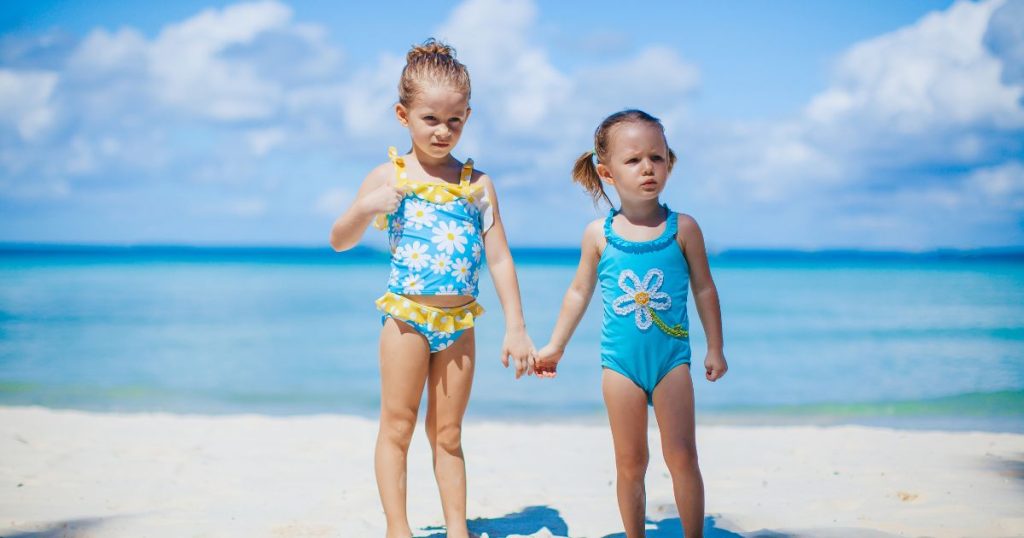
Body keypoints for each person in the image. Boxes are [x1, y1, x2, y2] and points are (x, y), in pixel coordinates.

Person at [329, 39, 536, 538]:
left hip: (460, 320)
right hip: (406, 318)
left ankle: (456, 529)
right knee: (397, 427)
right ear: (403, 115)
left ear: (467, 116)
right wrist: (366, 206)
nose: (443, 131)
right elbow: (339, 240)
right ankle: (397, 529)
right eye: (430, 119)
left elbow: (500, 256)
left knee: (448, 434)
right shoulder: (390, 175)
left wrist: (517, 327)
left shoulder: (476, 183)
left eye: (455, 121)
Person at [535, 109, 727, 538]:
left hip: (672, 361)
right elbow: (578, 293)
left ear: (669, 164)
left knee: (682, 457)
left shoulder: (684, 229)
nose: (648, 169)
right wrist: (555, 345)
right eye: (634, 160)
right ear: (606, 172)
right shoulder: (598, 234)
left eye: (657, 158)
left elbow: (704, 290)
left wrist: (715, 346)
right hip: (619, 366)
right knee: (630, 463)